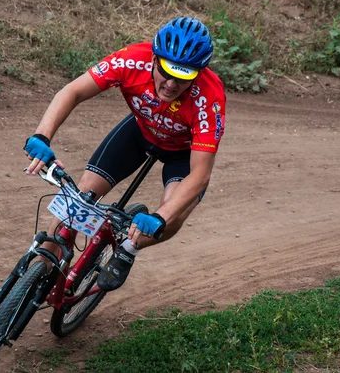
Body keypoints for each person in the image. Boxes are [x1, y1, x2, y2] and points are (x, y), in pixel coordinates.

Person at [23, 16, 226, 291]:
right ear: (154, 60)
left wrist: (161, 216)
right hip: (139, 133)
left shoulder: (209, 97)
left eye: (183, 77)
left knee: (172, 214)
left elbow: (200, 174)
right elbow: (72, 91)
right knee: (80, 196)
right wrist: (41, 136)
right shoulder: (132, 60)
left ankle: (129, 248)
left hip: (183, 153)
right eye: (166, 72)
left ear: (198, 73)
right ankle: (41, 269)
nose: (171, 84)